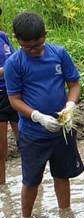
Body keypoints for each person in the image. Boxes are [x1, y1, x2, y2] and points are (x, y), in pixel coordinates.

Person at [5, 12, 84, 218]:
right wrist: (37, 116)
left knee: (62, 175)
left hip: (62, 130)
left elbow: (74, 84)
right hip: (33, 134)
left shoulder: (59, 54)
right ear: (17, 40)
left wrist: (70, 105)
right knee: (31, 180)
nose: (34, 50)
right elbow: (14, 100)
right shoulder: (15, 64)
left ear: (45, 35)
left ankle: (66, 217)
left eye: (38, 45)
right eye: (28, 46)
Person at [0, 15, 20, 184]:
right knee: (1, 148)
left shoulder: (3, 36)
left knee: (25, 140)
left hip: (13, 91)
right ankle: (2, 186)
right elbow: (14, 63)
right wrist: (9, 68)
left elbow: (15, 58)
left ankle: (33, 183)